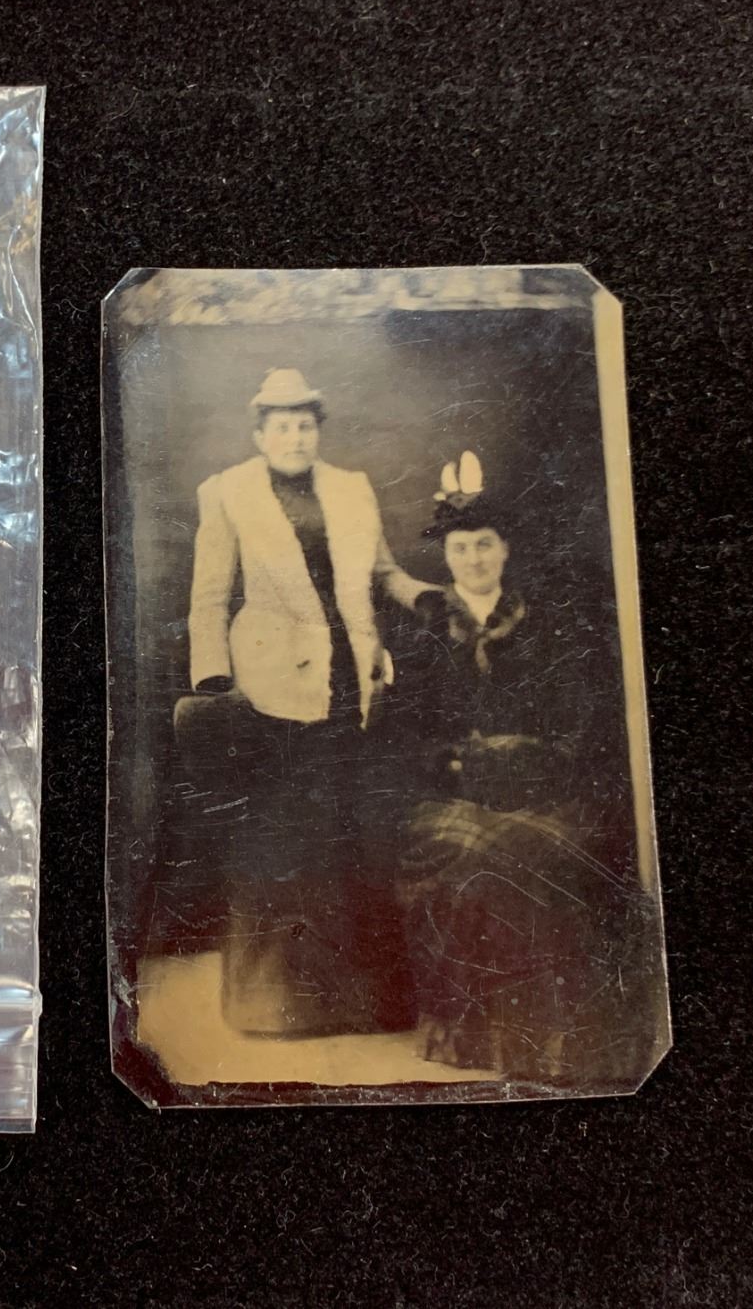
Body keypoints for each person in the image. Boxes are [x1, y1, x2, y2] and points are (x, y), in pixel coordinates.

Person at [179, 368, 439, 1036]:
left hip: (350, 677)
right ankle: (274, 1006)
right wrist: (213, 678)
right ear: (260, 434)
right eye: (282, 426)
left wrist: (426, 596)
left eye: (305, 425)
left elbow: (383, 572)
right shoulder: (228, 492)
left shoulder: (351, 487)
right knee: (284, 838)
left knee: (350, 833)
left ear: (318, 430)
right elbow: (209, 598)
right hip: (272, 681)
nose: (295, 436)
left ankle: (363, 1004)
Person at [392, 452, 643, 1082]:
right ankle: (468, 1035)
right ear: (445, 555)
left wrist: (528, 765)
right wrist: (461, 764)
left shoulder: (550, 624)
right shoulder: (425, 632)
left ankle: (544, 1042)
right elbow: (409, 735)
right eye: (460, 547)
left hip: (541, 790)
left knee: (525, 853)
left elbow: (576, 725)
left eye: (485, 544)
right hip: (452, 795)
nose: (473, 559)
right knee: (468, 855)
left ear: (505, 549)